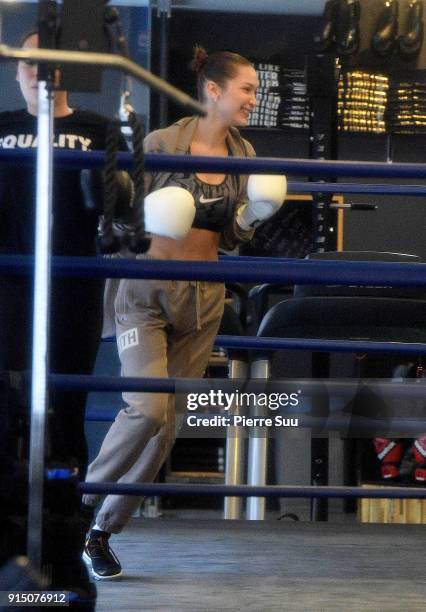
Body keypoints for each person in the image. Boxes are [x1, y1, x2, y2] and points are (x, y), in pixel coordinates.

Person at [82, 45, 287, 580]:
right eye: (246, 89)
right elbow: (119, 223)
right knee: (147, 410)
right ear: (213, 91)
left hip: (203, 300)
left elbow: (235, 237)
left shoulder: (244, 158)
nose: (253, 99)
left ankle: (101, 530)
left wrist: (255, 215)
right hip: (146, 293)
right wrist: (150, 220)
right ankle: (81, 500)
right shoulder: (160, 144)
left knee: (166, 429)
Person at [0, 29, 127, 597]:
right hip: (7, 288)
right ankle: (9, 541)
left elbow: (124, 215)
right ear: (16, 71)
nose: (36, 72)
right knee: (6, 407)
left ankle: (63, 534)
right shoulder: (1, 128)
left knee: (66, 408)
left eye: (48, 62)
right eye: (28, 63)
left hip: (72, 289)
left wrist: (115, 193)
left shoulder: (97, 131)